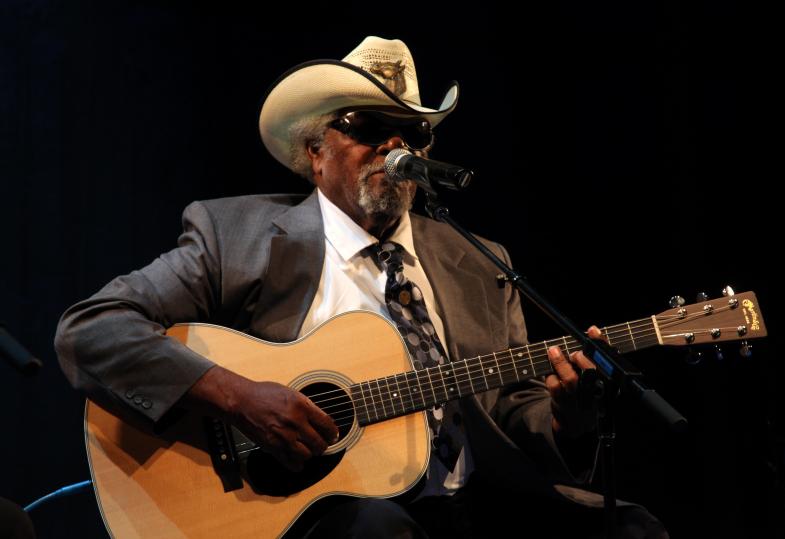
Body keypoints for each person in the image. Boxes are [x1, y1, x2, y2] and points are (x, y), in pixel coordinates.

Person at [55, 36, 667, 538]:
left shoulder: (478, 261)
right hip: (314, 514)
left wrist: (565, 417)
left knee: (632, 529)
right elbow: (93, 331)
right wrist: (239, 397)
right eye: (370, 125)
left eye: (414, 133)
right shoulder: (234, 237)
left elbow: (511, 410)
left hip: (479, 506)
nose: (395, 144)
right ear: (315, 152)